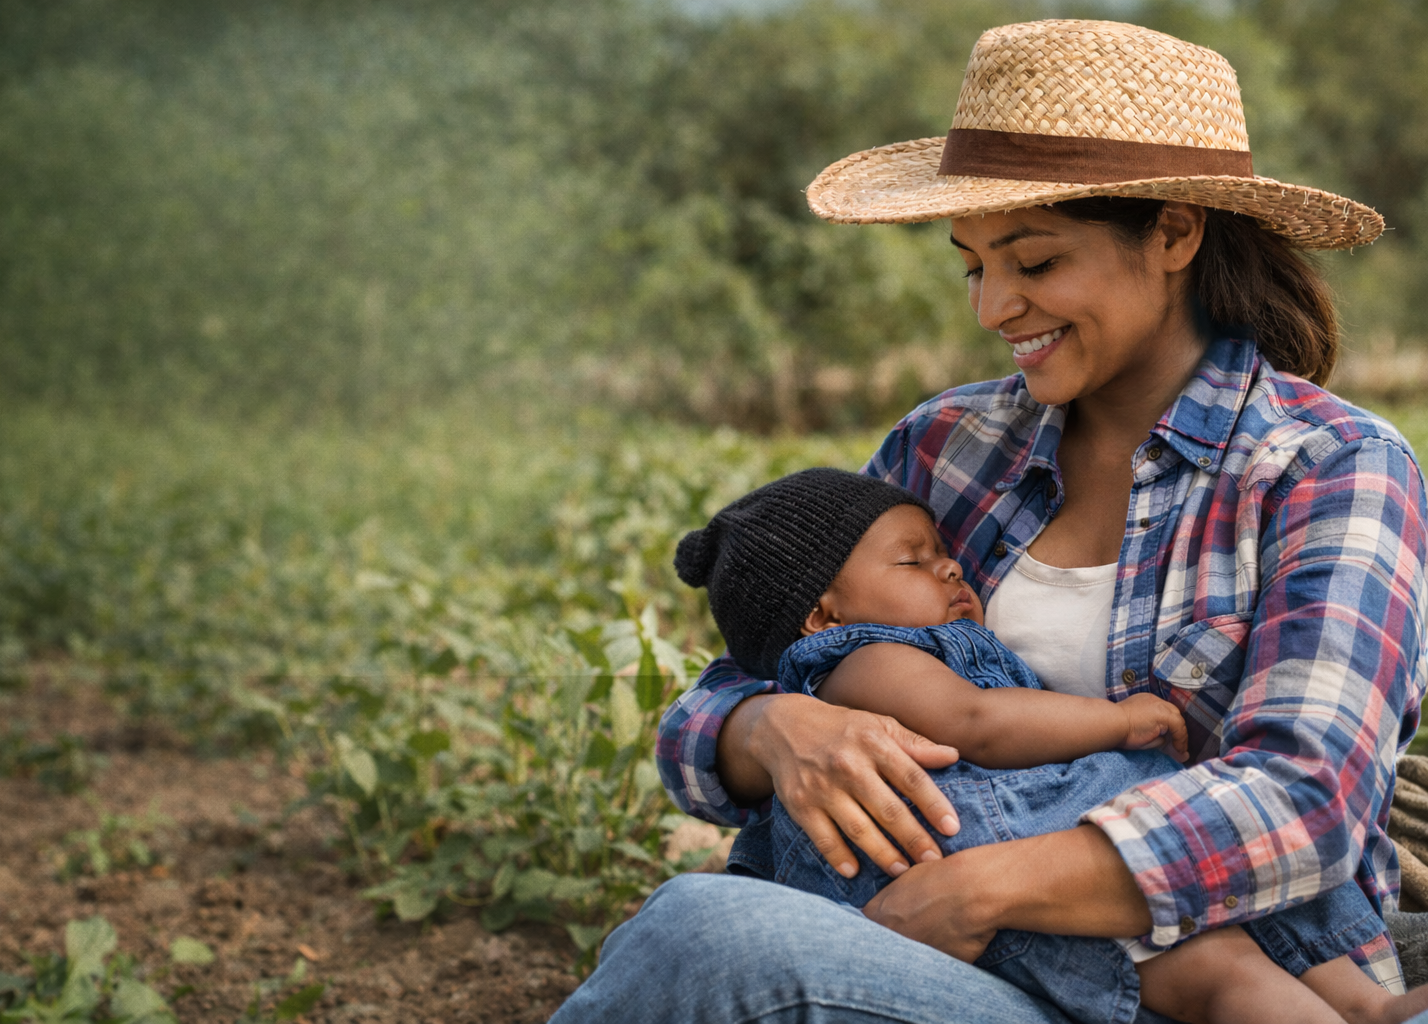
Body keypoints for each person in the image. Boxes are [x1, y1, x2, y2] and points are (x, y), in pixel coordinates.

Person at [550, 17, 1428, 1024]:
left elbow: (1304, 799)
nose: (993, 307)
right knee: (701, 925)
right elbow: (725, 696)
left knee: (702, 938)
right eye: (973, 265)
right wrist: (773, 727)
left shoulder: (1328, 467)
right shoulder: (945, 446)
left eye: (1035, 262)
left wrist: (981, 889)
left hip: (1203, 987)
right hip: (954, 968)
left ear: (1175, 234)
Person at [665, 465, 1421, 1024]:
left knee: (1265, 940)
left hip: (1096, 854)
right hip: (1003, 857)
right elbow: (978, 723)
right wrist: (1117, 721)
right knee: (1221, 975)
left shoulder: (1326, 465)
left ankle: (1371, 1007)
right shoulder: (864, 659)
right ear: (822, 617)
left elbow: (1307, 790)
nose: (949, 564)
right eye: (913, 560)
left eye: (941, 549)